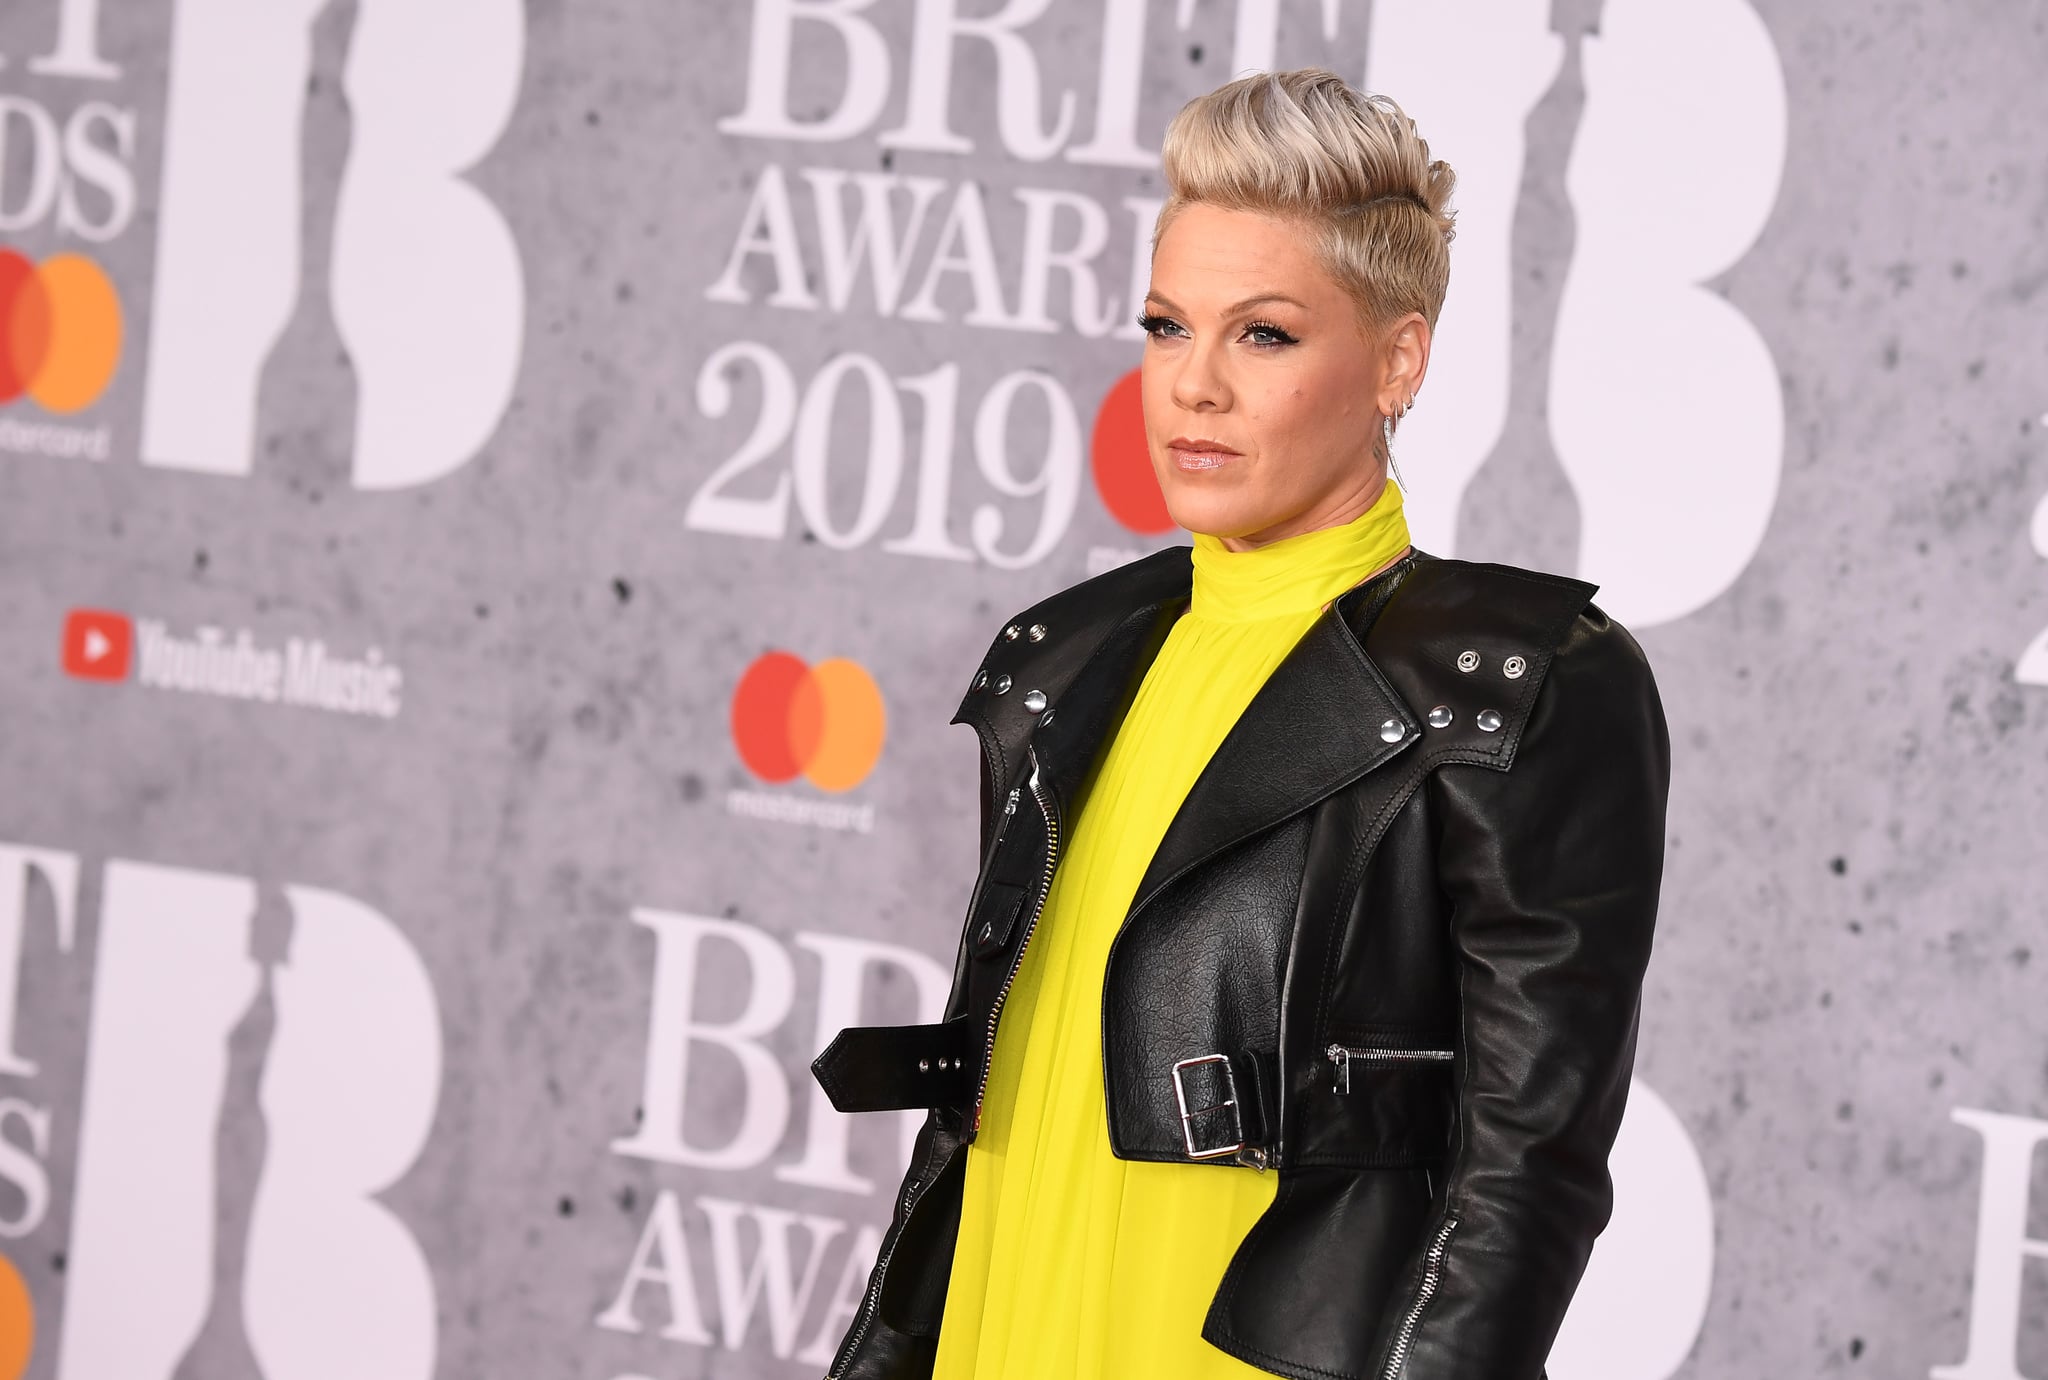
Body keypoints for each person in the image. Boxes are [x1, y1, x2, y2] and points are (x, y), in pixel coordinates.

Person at [810, 67, 1670, 1380]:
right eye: (1166, 326)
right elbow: (982, 1100)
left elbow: (1527, 1175)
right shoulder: (1070, 658)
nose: (1192, 387)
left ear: (1397, 360)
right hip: (1014, 1305)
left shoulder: (1513, 686)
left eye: (1262, 335)